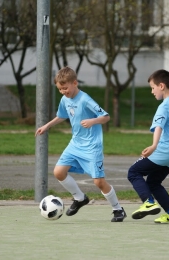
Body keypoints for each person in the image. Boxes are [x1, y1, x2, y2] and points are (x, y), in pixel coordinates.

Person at [35, 66, 126, 222]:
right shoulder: (65, 99)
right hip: (75, 144)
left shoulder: (85, 99)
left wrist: (93, 121)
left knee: (98, 181)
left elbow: (106, 117)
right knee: (59, 172)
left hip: (92, 146)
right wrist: (46, 126)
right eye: (60, 89)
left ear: (75, 83)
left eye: (65, 88)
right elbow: (61, 116)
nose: (63, 91)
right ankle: (80, 198)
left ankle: (118, 209)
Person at [127, 69, 169, 224]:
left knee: (133, 172)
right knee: (153, 182)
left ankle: (148, 202)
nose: (152, 92)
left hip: (164, 152)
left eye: (152, 88)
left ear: (161, 86)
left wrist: (154, 146)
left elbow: (158, 126)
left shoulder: (165, 106)